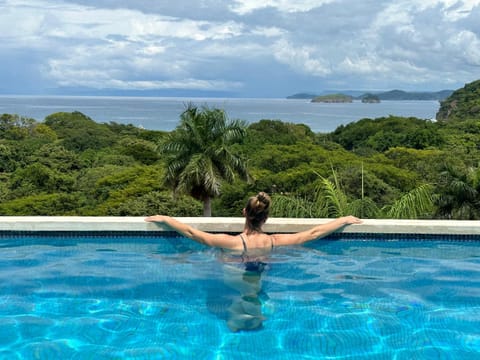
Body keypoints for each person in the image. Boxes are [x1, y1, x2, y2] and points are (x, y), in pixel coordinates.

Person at [144, 191, 362, 251]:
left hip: (237, 276)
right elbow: (314, 233)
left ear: (244, 212)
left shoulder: (230, 243)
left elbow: (192, 233)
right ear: (266, 217)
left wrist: (165, 218)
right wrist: (343, 219)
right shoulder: (275, 242)